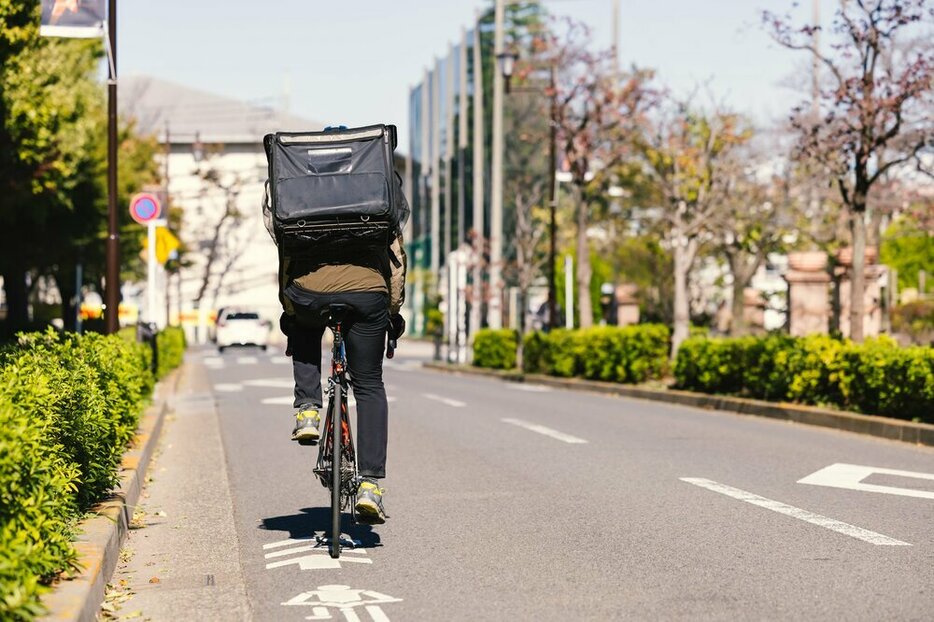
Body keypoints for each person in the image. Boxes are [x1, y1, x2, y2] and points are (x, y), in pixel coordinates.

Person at [277, 182, 407, 526]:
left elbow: (286, 260)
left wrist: (290, 311)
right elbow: (395, 266)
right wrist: (391, 313)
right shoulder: (377, 195)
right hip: (368, 293)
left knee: (302, 326)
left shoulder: (300, 198)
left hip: (310, 292)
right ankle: (369, 484)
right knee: (368, 385)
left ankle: (307, 411)